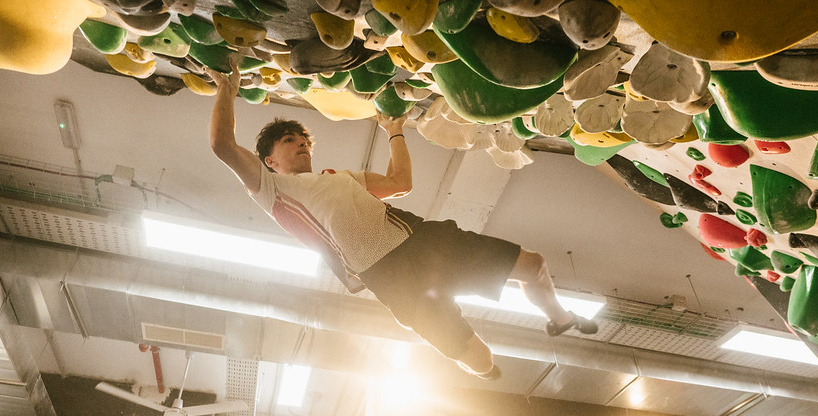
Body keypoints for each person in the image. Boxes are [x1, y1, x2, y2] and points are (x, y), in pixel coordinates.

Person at [207, 61, 598, 380]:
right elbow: (222, 145)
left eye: (303, 138)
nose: (301, 143)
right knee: (482, 361)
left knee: (534, 266)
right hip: (390, 277)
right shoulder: (271, 190)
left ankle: (560, 318)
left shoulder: (341, 178)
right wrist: (227, 87)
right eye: (289, 141)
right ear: (270, 160)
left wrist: (395, 131)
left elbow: (400, 183)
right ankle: (480, 367)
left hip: (423, 241)